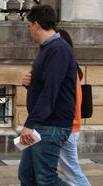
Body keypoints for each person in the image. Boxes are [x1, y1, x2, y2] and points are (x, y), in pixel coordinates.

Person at [18, 5, 77, 186]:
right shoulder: (48, 48)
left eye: (29, 27)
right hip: (42, 123)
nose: (30, 32)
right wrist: (30, 84)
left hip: (52, 124)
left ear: (36, 25)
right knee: (27, 176)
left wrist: (30, 124)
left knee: (46, 179)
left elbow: (50, 91)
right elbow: (47, 86)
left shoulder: (58, 49)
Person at [57, 29, 91, 186]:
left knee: (72, 171)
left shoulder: (66, 67)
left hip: (67, 127)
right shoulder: (72, 66)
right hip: (69, 127)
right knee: (68, 170)